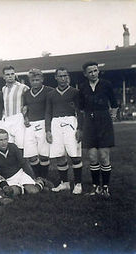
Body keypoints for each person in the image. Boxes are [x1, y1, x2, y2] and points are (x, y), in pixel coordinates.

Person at [79, 61, 118, 198]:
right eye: (90, 72)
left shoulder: (106, 84)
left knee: (103, 155)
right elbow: (81, 108)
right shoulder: (83, 87)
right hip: (89, 123)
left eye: (95, 70)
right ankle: (96, 188)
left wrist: (111, 117)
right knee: (92, 156)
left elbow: (114, 104)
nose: (93, 74)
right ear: (85, 74)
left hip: (104, 122)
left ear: (98, 71)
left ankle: (105, 187)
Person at [45, 67, 83, 195]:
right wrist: (48, 131)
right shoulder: (51, 94)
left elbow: (80, 111)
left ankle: (78, 184)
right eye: (60, 76)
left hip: (71, 123)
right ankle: (65, 183)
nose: (63, 78)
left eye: (65, 76)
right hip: (55, 123)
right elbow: (48, 113)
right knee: (59, 155)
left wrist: (80, 128)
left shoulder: (75, 92)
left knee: (75, 155)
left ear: (68, 77)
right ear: (55, 77)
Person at [0, 129, 47, 196]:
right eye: (1, 140)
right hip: (8, 178)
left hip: (19, 173)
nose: (3, 142)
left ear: (8, 139)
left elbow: (24, 163)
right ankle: (26, 188)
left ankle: (41, 182)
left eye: (5, 139)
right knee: (11, 192)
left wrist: (33, 177)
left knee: (33, 191)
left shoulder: (13, 147)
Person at [22, 69, 53, 179]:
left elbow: (51, 109)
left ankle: (43, 178)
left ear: (42, 79)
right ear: (29, 81)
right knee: (31, 155)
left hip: (43, 122)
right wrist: (25, 117)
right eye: (32, 80)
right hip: (30, 125)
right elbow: (25, 108)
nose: (35, 82)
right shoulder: (26, 93)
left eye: (37, 80)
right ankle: (37, 177)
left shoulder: (49, 91)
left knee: (44, 155)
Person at [1, 66, 28, 150]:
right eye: (7, 74)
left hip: (19, 119)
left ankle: (23, 163)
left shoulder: (23, 87)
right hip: (7, 119)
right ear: (4, 77)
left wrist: (26, 116)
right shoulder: (3, 89)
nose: (10, 76)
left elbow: (29, 103)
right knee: (9, 146)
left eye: (12, 74)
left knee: (21, 146)